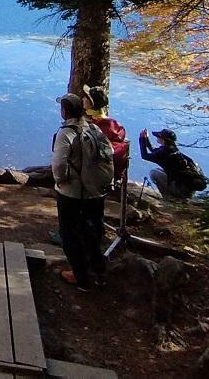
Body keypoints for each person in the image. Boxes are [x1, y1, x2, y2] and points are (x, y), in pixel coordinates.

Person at [51, 92, 112, 291]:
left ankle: (81, 277)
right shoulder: (94, 128)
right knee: (92, 232)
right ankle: (99, 272)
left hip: (73, 193)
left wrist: (61, 181)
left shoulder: (66, 133)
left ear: (65, 111)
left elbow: (59, 163)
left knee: (69, 234)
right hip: (96, 192)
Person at [83, 86, 130, 187]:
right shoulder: (113, 124)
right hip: (111, 172)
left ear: (91, 103)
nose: (83, 99)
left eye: (86, 97)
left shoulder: (95, 125)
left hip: (96, 173)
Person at [138, 128, 205, 199]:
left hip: (181, 190)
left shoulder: (165, 153)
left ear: (163, 140)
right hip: (187, 188)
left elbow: (145, 156)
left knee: (154, 173)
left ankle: (169, 197)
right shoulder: (173, 150)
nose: (157, 137)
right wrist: (146, 139)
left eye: (159, 136)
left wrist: (141, 139)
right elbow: (154, 151)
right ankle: (183, 193)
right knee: (159, 170)